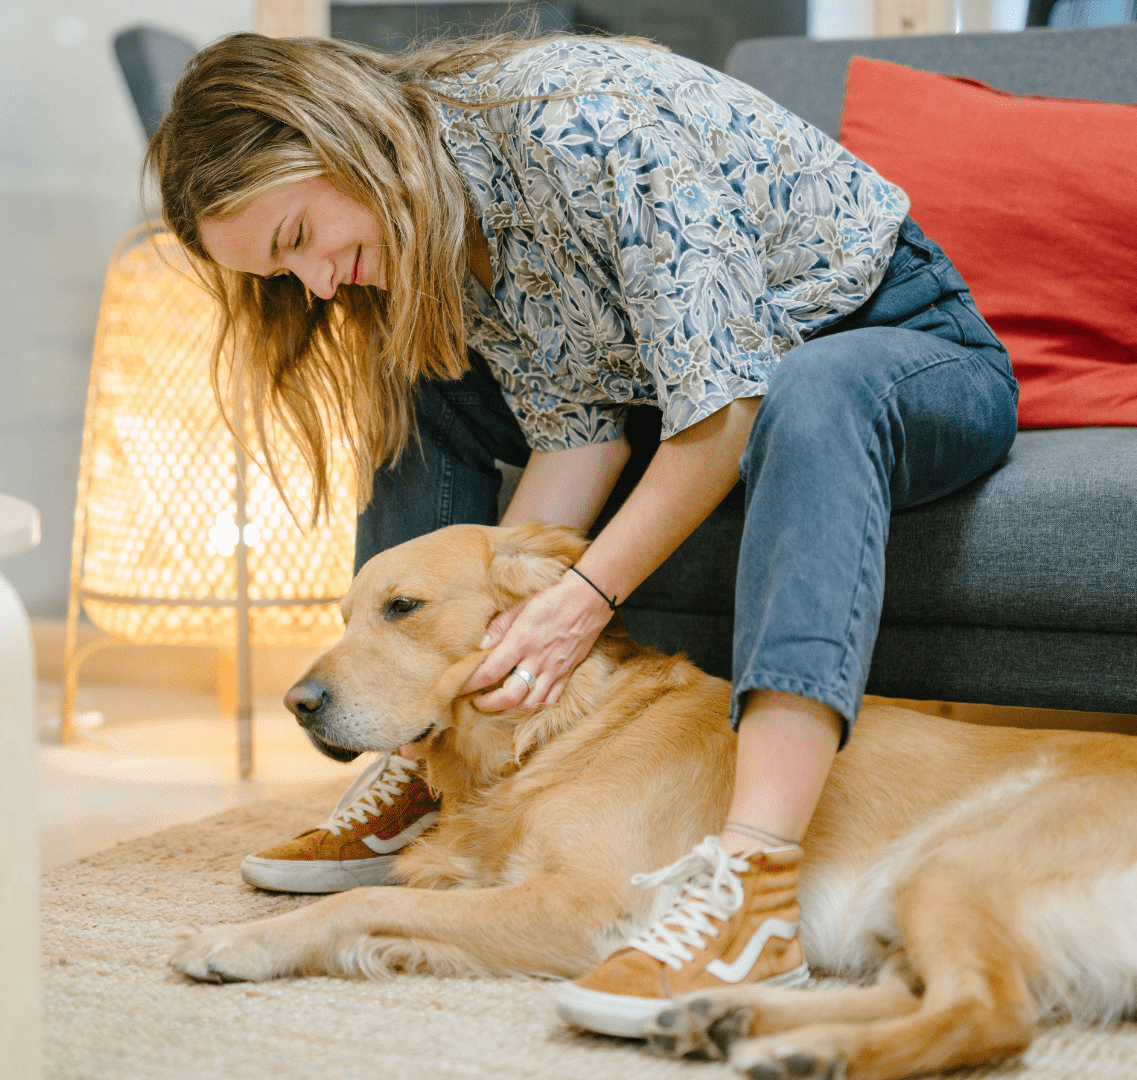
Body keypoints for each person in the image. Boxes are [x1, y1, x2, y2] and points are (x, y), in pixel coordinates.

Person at [145, 29, 1017, 1036]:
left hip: (901, 350)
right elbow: (578, 439)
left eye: (296, 236)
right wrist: (500, 638)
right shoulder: (448, 219)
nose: (317, 284)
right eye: (280, 273)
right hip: (708, 385)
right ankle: (422, 754)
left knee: (808, 393)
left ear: (339, 140)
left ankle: (755, 878)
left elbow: (727, 411)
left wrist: (584, 597)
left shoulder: (581, 121)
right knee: (410, 371)